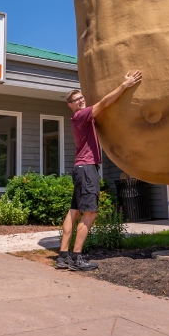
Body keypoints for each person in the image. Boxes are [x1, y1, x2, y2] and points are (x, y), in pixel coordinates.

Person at [57, 70, 143, 271]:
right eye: (76, 100)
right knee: (90, 214)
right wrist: (125, 85)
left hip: (81, 168)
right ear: (70, 105)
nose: (80, 101)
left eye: (81, 98)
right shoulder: (81, 115)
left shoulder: (83, 118)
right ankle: (77, 258)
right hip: (87, 169)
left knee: (74, 212)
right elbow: (104, 103)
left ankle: (62, 257)